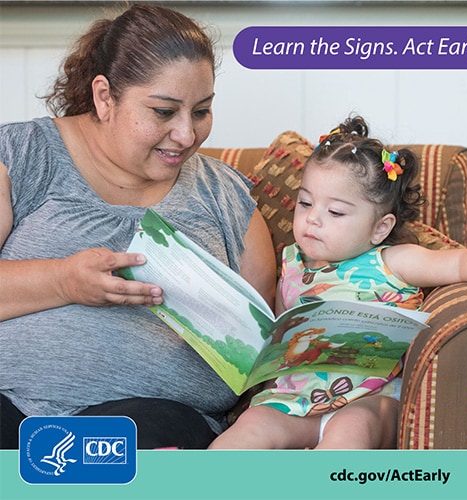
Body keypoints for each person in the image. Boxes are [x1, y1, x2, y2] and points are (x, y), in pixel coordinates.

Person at [0, 3, 276, 449]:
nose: (187, 135)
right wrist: (63, 281)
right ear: (105, 96)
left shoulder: (224, 194)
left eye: (201, 111)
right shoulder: (22, 155)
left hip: (154, 422)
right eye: (164, 112)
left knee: (125, 445)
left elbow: (259, 345)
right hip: (9, 403)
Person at [209, 115, 467, 450]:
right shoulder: (291, 261)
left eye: (335, 212)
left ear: (380, 228)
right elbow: (281, 333)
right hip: (296, 399)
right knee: (248, 429)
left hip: (368, 399)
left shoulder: (393, 260)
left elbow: (461, 263)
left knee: (350, 431)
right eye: (305, 202)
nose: (313, 218)